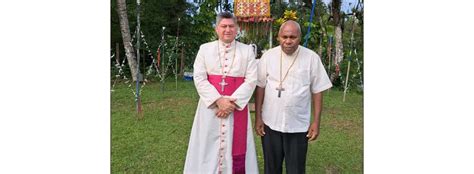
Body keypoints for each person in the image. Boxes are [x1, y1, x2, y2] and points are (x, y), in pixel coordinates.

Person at [184, 11, 259, 174]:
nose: (228, 30)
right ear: (216, 29)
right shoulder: (205, 49)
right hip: (210, 108)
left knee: (236, 144)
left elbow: (252, 79)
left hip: (236, 108)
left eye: (231, 26)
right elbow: (199, 77)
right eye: (223, 26)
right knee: (207, 144)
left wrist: (231, 104)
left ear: (237, 29)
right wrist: (218, 100)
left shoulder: (247, 51)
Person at [254, 20, 333, 174]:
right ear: (278, 37)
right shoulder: (268, 56)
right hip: (271, 123)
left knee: (296, 169)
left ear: (300, 38)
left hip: (298, 125)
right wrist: (258, 117)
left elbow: (317, 90)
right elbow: (260, 87)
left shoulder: (311, 58)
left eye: (292, 37)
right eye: (284, 37)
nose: (288, 41)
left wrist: (316, 122)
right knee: (271, 169)